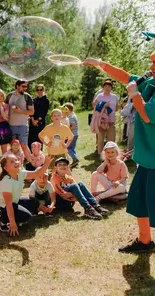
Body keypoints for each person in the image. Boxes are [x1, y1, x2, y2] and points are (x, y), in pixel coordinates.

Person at [84, 52, 155, 253]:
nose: (151, 66)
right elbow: (125, 76)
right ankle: (144, 242)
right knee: (140, 201)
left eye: (154, 63)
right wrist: (99, 63)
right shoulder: (150, 81)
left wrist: (134, 94)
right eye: (151, 62)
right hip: (147, 159)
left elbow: (147, 115)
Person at [0, 154, 52, 236]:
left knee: (34, 202)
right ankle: (3, 220)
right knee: (26, 216)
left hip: (14, 201)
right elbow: (8, 204)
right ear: (6, 168)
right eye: (12, 162)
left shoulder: (20, 173)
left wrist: (47, 163)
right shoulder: (6, 181)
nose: (16, 162)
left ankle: (14, 216)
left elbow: (36, 174)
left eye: (16, 160)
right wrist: (13, 223)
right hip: (3, 207)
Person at [7, 80, 34, 162]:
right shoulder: (9, 96)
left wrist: (20, 111)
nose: (25, 88)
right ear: (17, 86)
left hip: (23, 125)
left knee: (24, 146)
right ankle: (13, 164)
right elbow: (4, 108)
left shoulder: (27, 97)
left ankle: (32, 164)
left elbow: (32, 112)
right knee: (12, 146)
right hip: (11, 125)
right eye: (23, 86)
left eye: (26, 86)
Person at [92, 79, 119, 154]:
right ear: (103, 88)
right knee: (100, 139)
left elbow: (116, 108)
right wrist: (103, 106)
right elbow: (94, 105)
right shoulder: (99, 96)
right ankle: (101, 156)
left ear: (111, 88)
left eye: (109, 87)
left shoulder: (115, 97)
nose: (107, 88)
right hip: (101, 121)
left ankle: (111, 156)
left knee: (111, 140)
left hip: (111, 121)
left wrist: (109, 111)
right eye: (105, 86)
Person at [63, 103, 80, 167]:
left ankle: (75, 159)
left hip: (72, 135)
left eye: (65, 109)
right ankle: (74, 160)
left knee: (68, 148)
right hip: (74, 135)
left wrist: (66, 131)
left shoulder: (71, 116)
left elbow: (72, 126)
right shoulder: (72, 115)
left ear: (68, 110)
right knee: (72, 148)